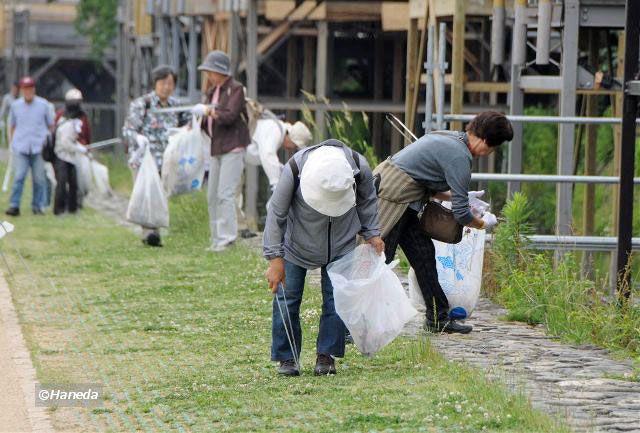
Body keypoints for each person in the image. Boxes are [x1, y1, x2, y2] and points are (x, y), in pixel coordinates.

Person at [374, 111, 513, 334]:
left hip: (407, 200)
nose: (489, 153)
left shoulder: (452, 138)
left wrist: (464, 198)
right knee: (380, 260)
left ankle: (438, 318)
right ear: (486, 141)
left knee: (424, 255)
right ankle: (353, 324)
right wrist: (482, 223)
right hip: (393, 197)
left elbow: (428, 184)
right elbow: (460, 214)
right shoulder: (460, 156)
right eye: (493, 148)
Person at [263, 140, 384, 376]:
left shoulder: (359, 167)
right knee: (287, 299)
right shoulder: (294, 168)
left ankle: (326, 355)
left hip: (341, 242)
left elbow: (369, 200)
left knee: (336, 299)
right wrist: (275, 258)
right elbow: (276, 213)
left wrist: (372, 233)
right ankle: (287, 357)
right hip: (297, 243)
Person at [122, 65, 190, 246]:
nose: (166, 87)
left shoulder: (177, 106)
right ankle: (149, 232)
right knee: (146, 194)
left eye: (170, 83)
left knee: (160, 195)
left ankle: (154, 230)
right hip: (144, 158)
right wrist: (138, 137)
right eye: (163, 83)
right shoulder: (142, 104)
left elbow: (188, 125)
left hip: (167, 159)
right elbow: (128, 129)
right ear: (155, 84)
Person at [192, 50, 251, 252]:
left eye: (211, 71)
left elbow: (230, 116)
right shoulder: (212, 91)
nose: (209, 75)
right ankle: (216, 238)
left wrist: (209, 110)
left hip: (233, 146)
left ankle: (228, 238)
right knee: (212, 195)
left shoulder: (236, 89)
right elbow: (208, 120)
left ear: (221, 71)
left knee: (225, 193)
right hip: (216, 147)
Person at [5, 77, 54, 216]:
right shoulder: (16, 106)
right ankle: (14, 205)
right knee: (19, 176)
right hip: (21, 145)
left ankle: (38, 206)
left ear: (34, 90)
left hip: (39, 146)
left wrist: (48, 142)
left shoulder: (43, 105)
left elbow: (50, 125)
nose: (28, 92)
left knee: (39, 178)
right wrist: (13, 142)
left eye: (30, 89)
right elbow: (13, 125)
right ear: (21, 91)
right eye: (25, 89)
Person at [246, 119, 313, 194]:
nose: (292, 149)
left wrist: (283, 170)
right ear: (291, 137)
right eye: (295, 145)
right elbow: (268, 155)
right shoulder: (275, 130)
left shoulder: (277, 129)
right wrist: (276, 185)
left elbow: (267, 158)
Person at [53, 89, 89, 215]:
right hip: (60, 154)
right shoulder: (61, 116)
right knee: (61, 182)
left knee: (75, 182)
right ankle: (59, 209)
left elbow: (85, 134)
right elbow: (63, 141)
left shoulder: (82, 117)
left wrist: (84, 147)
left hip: (74, 156)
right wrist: (77, 147)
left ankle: (73, 208)